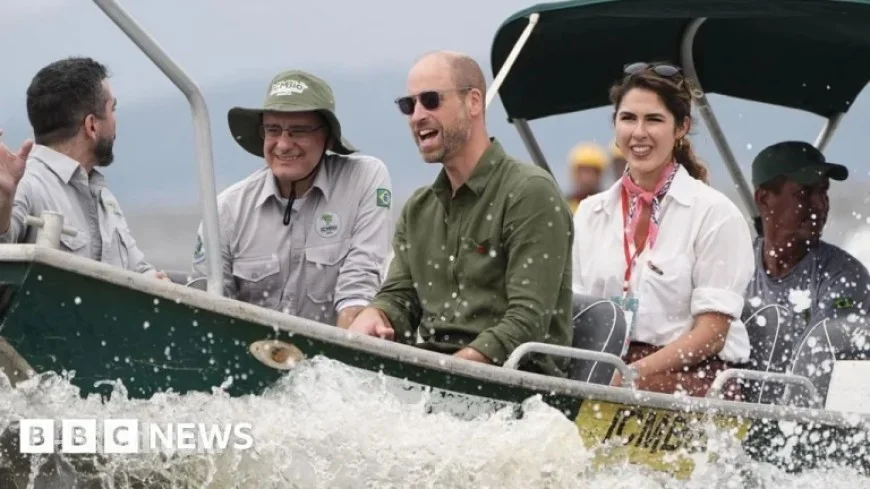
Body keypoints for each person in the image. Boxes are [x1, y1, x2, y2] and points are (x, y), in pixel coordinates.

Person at [347, 51, 573, 376]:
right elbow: (400, 296)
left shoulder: (530, 192)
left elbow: (528, 320)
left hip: (518, 387)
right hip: (436, 378)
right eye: (408, 106)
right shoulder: (418, 209)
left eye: (430, 100)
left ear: (474, 102)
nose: (416, 116)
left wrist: (451, 369)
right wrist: (376, 314)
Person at [571, 62, 754, 398]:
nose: (638, 133)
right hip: (606, 368)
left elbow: (712, 333)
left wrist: (629, 374)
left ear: (681, 127)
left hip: (694, 376)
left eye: (653, 119)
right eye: (628, 118)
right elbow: (577, 313)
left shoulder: (716, 214)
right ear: (615, 125)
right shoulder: (588, 213)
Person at [192, 69, 393, 328]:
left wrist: (344, 356)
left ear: (328, 137)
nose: (283, 144)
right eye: (273, 130)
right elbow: (208, 312)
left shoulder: (365, 179)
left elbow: (358, 287)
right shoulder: (225, 210)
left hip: (334, 360)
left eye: (299, 131)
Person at [0, 57, 166, 279]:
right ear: (91, 125)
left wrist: (154, 280)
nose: (115, 121)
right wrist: (3, 201)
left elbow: (139, 271)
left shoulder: (104, 199)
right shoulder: (26, 184)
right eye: (112, 109)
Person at [745, 141, 870, 373]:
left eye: (823, 191)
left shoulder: (845, 276)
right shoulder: (735, 265)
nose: (820, 204)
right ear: (763, 199)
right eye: (804, 192)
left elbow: (818, 360)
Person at [566, 142, 607, 214]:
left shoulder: (608, 206)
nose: (587, 178)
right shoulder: (565, 206)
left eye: (592, 172)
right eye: (583, 171)